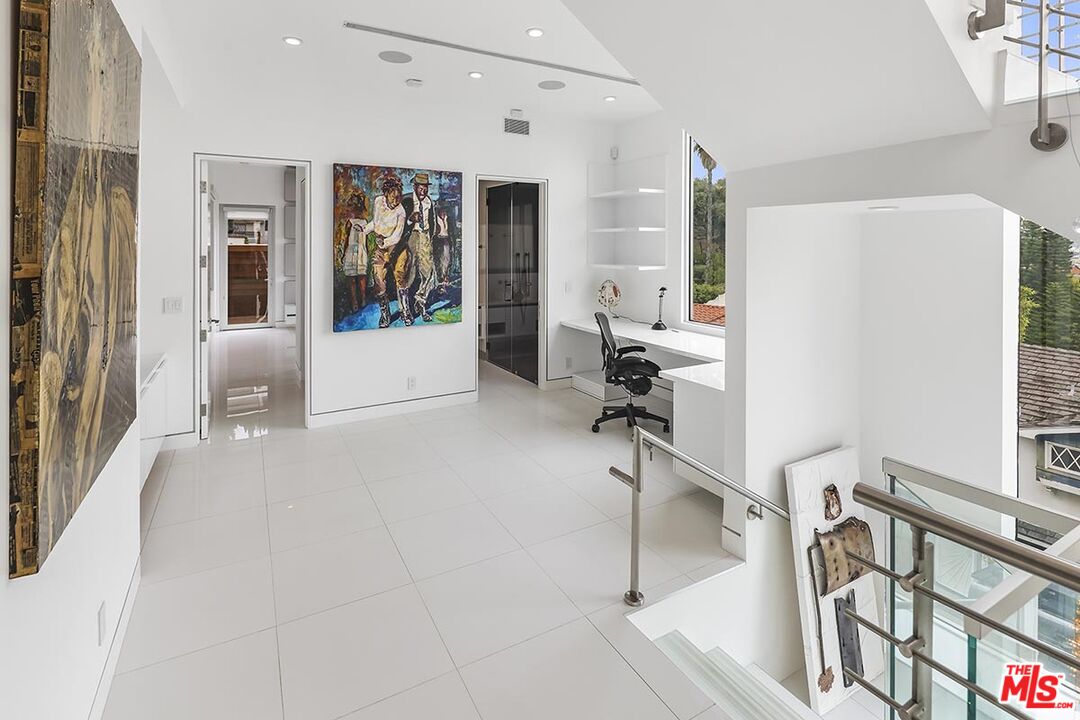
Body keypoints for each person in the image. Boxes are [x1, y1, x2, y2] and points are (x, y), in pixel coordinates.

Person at [358, 175, 406, 328]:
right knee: (378, 280)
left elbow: (397, 236)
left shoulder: (401, 212)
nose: (396, 200)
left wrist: (384, 242)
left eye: (398, 197)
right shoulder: (378, 202)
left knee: (400, 277)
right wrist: (365, 230)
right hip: (381, 248)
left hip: (397, 248)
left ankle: (405, 311)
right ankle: (385, 315)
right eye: (393, 196)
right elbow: (377, 223)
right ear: (386, 193)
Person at [402, 173, 437, 322]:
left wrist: (430, 237)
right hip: (411, 237)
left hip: (425, 236)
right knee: (408, 274)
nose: (423, 191)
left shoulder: (429, 202)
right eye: (420, 188)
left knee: (429, 274)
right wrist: (411, 220)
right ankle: (405, 310)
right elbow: (399, 224)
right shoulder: (406, 200)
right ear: (415, 187)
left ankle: (420, 301)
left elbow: (432, 222)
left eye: (425, 188)